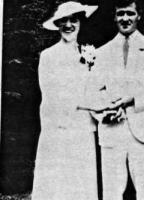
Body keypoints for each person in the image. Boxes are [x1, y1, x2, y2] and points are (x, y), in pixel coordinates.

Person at [79, 0, 144, 200]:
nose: (125, 19)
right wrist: (106, 112)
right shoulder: (102, 52)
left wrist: (133, 99)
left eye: (129, 13)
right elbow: (90, 93)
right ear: (114, 17)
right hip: (112, 131)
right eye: (120, 14)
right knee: (112, 193)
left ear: (138, 15)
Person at [31, 2, 98, 200]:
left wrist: (103, 108)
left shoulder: (88, 54)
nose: (69, 25)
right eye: (64, 21)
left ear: (80, 23)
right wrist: (92, 105)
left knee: (81, 184)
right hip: (58, 130)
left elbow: (94, 89)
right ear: (58, 24)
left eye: (74, 20)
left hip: (84, 130)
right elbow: (53, 97)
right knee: (58, 184)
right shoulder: (48, 56)